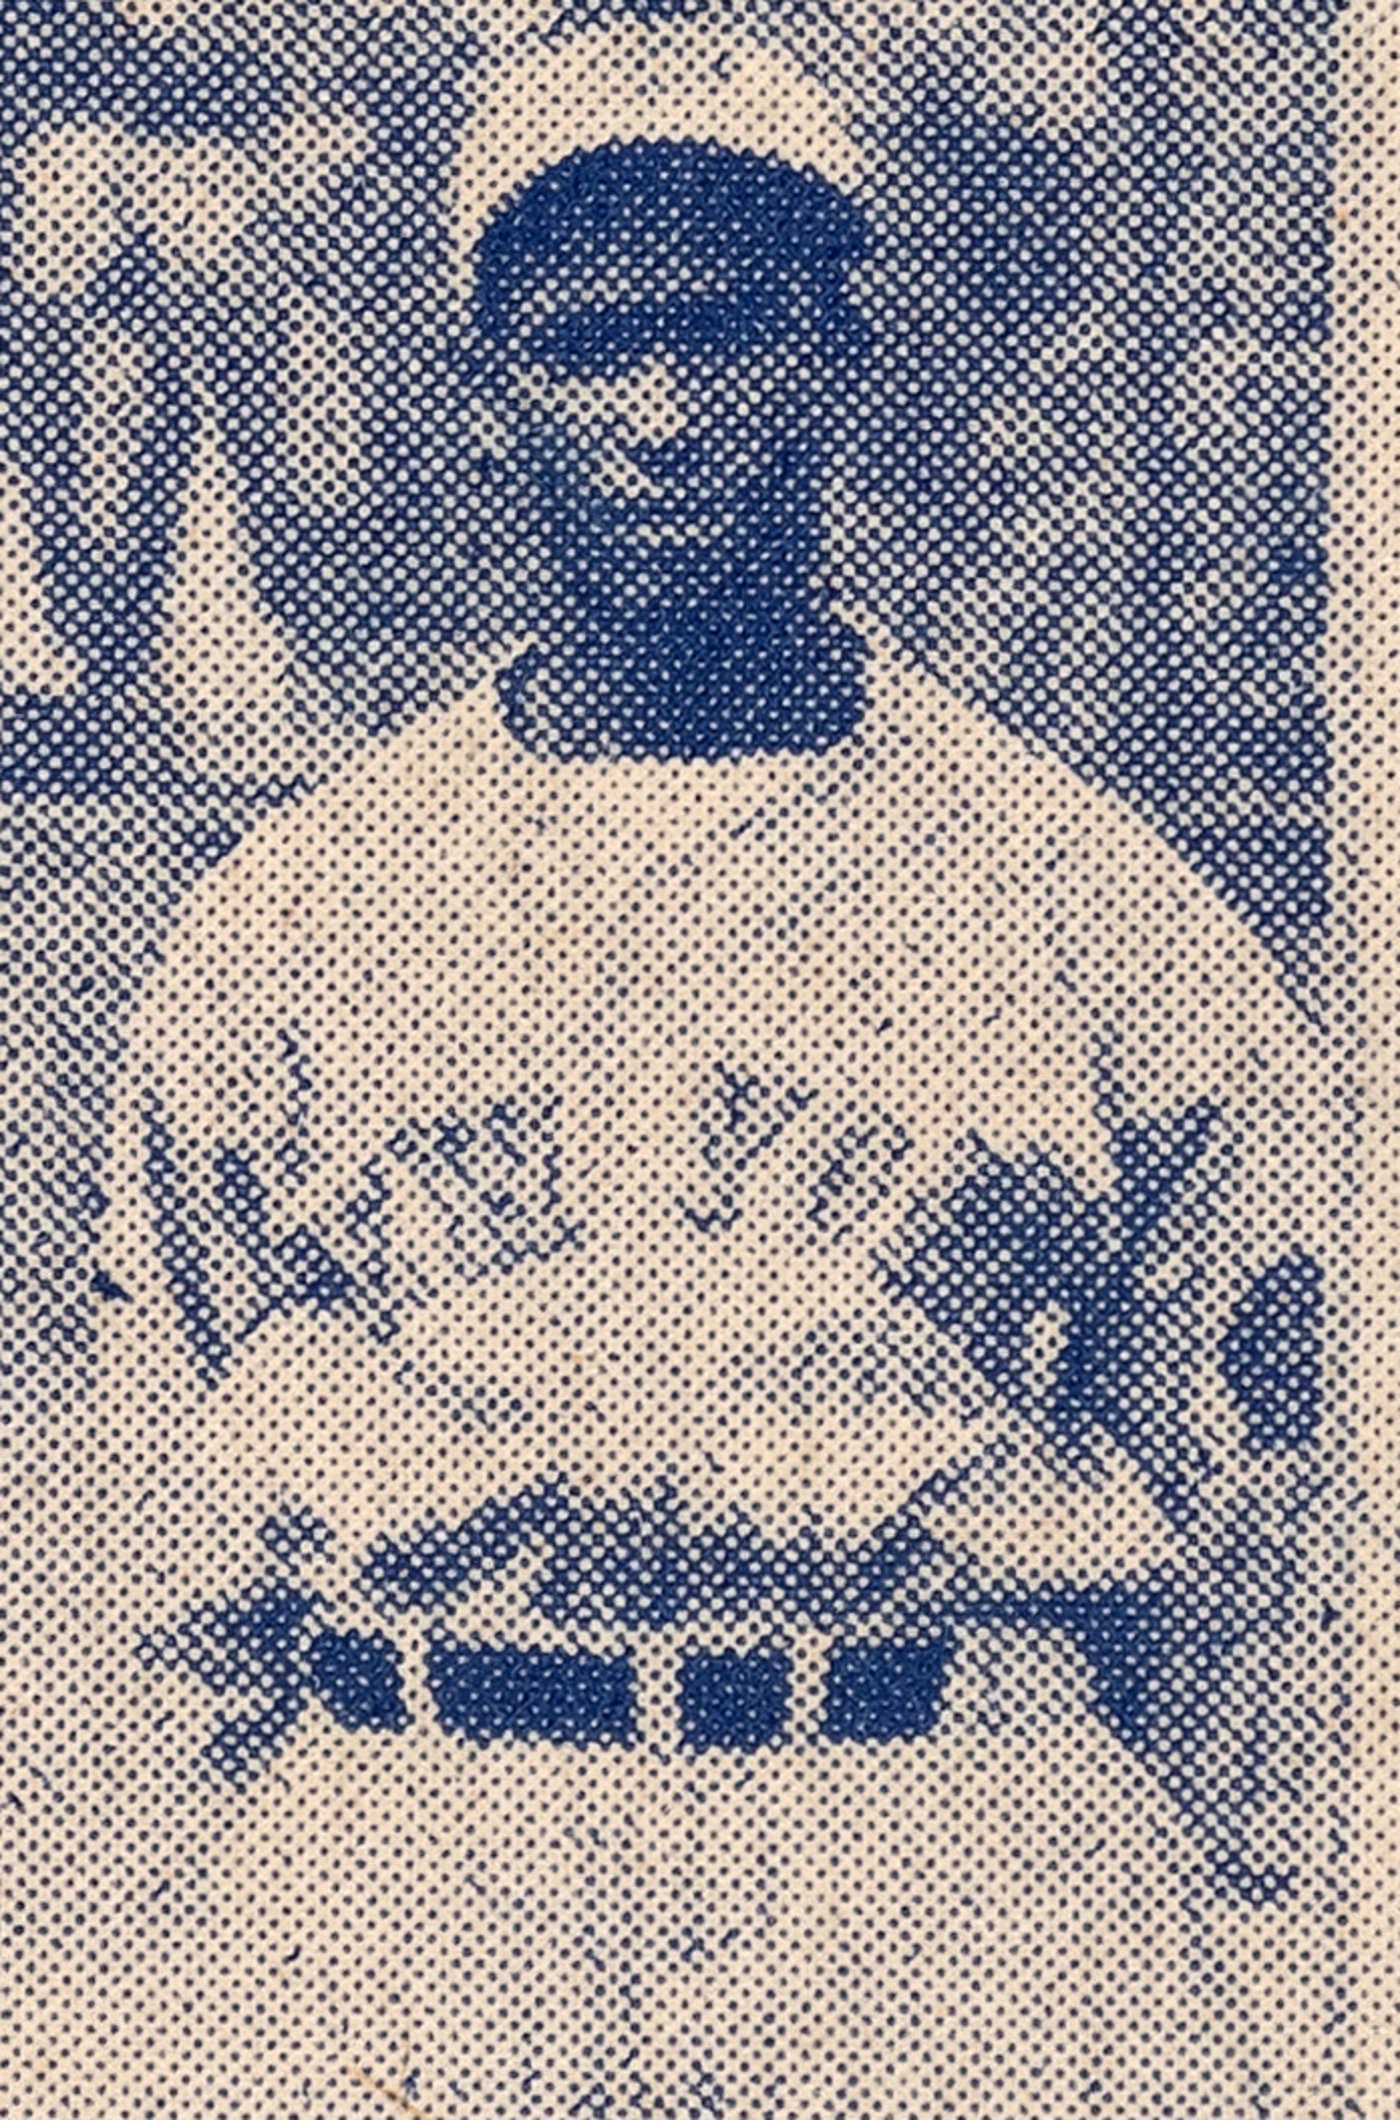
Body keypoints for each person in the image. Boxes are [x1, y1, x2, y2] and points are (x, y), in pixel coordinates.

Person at [13, 19, 1339, 2115]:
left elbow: (1262, 1495)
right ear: (485, 406)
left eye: (723, 336)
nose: (662, 416)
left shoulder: (1102, 913)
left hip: (936, 1851)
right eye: (585, 348)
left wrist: (1175, 1873)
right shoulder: (289, 916)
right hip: (419, 1848)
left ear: (843, 353)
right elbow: (176, 1524)